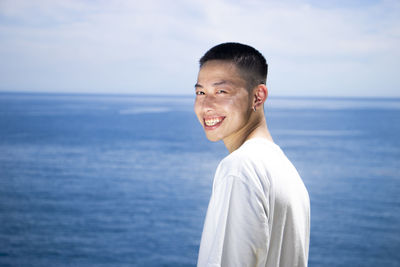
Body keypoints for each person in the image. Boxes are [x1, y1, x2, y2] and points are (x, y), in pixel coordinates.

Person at [194, 42, 310, 267]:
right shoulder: (285, 169)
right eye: (200, 92)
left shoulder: (239, 168)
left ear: (258, 96)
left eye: (221, 91)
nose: (206, 105)